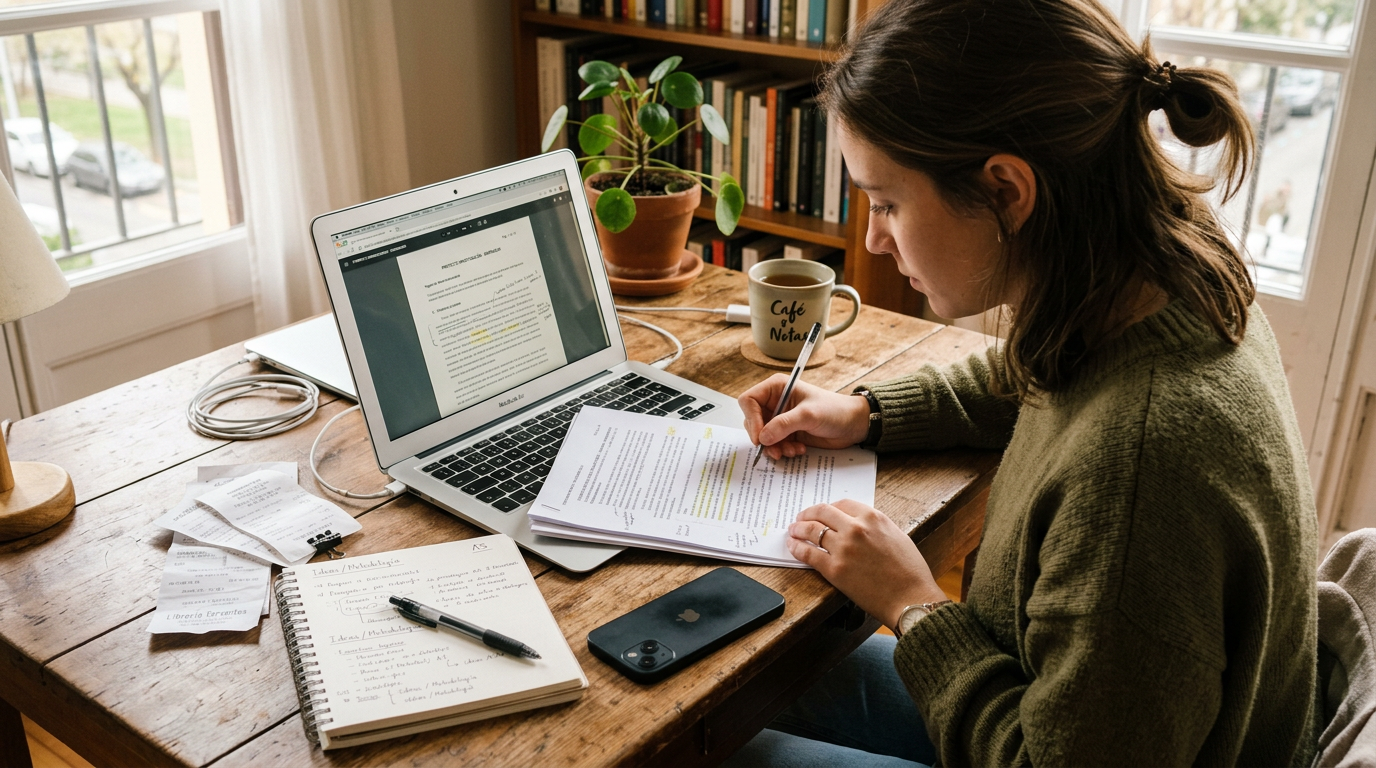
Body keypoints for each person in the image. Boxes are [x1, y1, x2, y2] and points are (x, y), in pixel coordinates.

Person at [728, 0, 1322, 765]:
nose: (874, 236)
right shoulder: (1164, 281)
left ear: (1007, 191)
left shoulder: (1141, 466)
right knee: (748, 675)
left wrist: (912, 605)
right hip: (1054, 697)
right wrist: (866, 413)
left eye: (887, 203)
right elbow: (1042, 380)